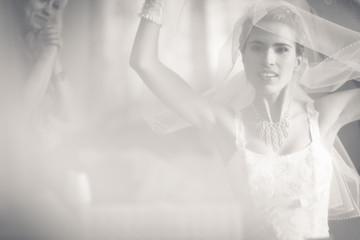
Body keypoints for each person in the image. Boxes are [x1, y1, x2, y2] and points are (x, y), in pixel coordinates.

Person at [130, 0, 360, 239]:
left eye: (281, 48)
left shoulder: (325, 115)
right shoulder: (225, 124)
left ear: (299, 61)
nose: (268, 59)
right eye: (257, 47)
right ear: (243, 55)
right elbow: (144, 62)